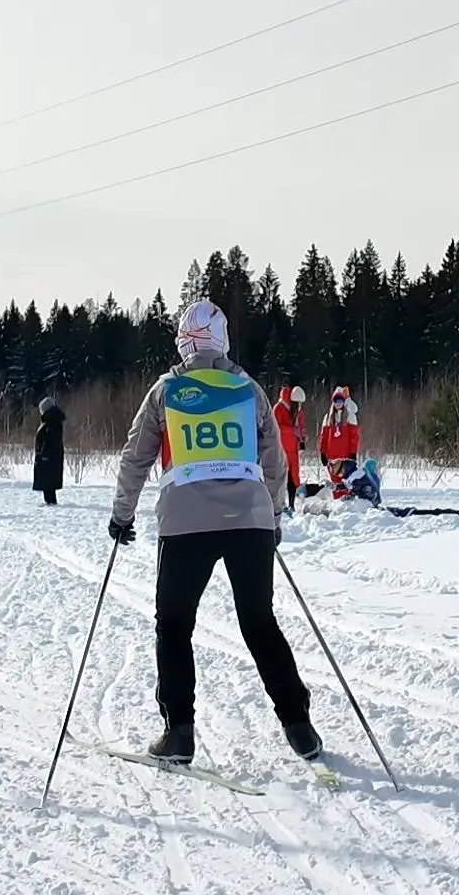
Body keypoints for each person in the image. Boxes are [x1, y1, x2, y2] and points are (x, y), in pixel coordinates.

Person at [109, 299, 319, 765]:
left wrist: (122, 515)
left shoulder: (168, 389)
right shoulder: (249, 389)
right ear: (223, 341)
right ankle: (299, 726)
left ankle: (179, 732)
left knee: (176, 624)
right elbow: (275, 460)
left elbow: (135, 457)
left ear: (184, 340)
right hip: (249, 520)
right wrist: (275, 516)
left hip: (186, 522)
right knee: (259, 623)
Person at [272, 386, 307, 512]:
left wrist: (302, 434)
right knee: (282, 477)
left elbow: (301, 425)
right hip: (281, 448)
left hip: (293, 449)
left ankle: (291, 504)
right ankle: (280, 504)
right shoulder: (279, 408)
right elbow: (276, 427)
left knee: (293, 477)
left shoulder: (297, 410)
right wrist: (292, 430)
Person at [317, 387, 360, 489]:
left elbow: (354, 437)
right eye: (336, 401)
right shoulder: (328, 417)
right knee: (334, 484)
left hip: (345, 457)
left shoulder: (350, 417)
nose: (338, 403)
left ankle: (346, 502)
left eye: (341, 401)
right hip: (331, 457)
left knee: (345, 483)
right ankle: (336, 503)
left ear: (344, 402)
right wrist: (323, 453)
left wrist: (353, 453)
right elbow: (323, 437)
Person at [33, 397, 66, 506]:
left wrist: (44, 454)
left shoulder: (52, 423)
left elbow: (50, 440)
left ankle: (50, 502)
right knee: (48, 481)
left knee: (48, 481)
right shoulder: (52, 421)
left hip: (48, 457)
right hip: (50, 457)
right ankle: (49, 500)